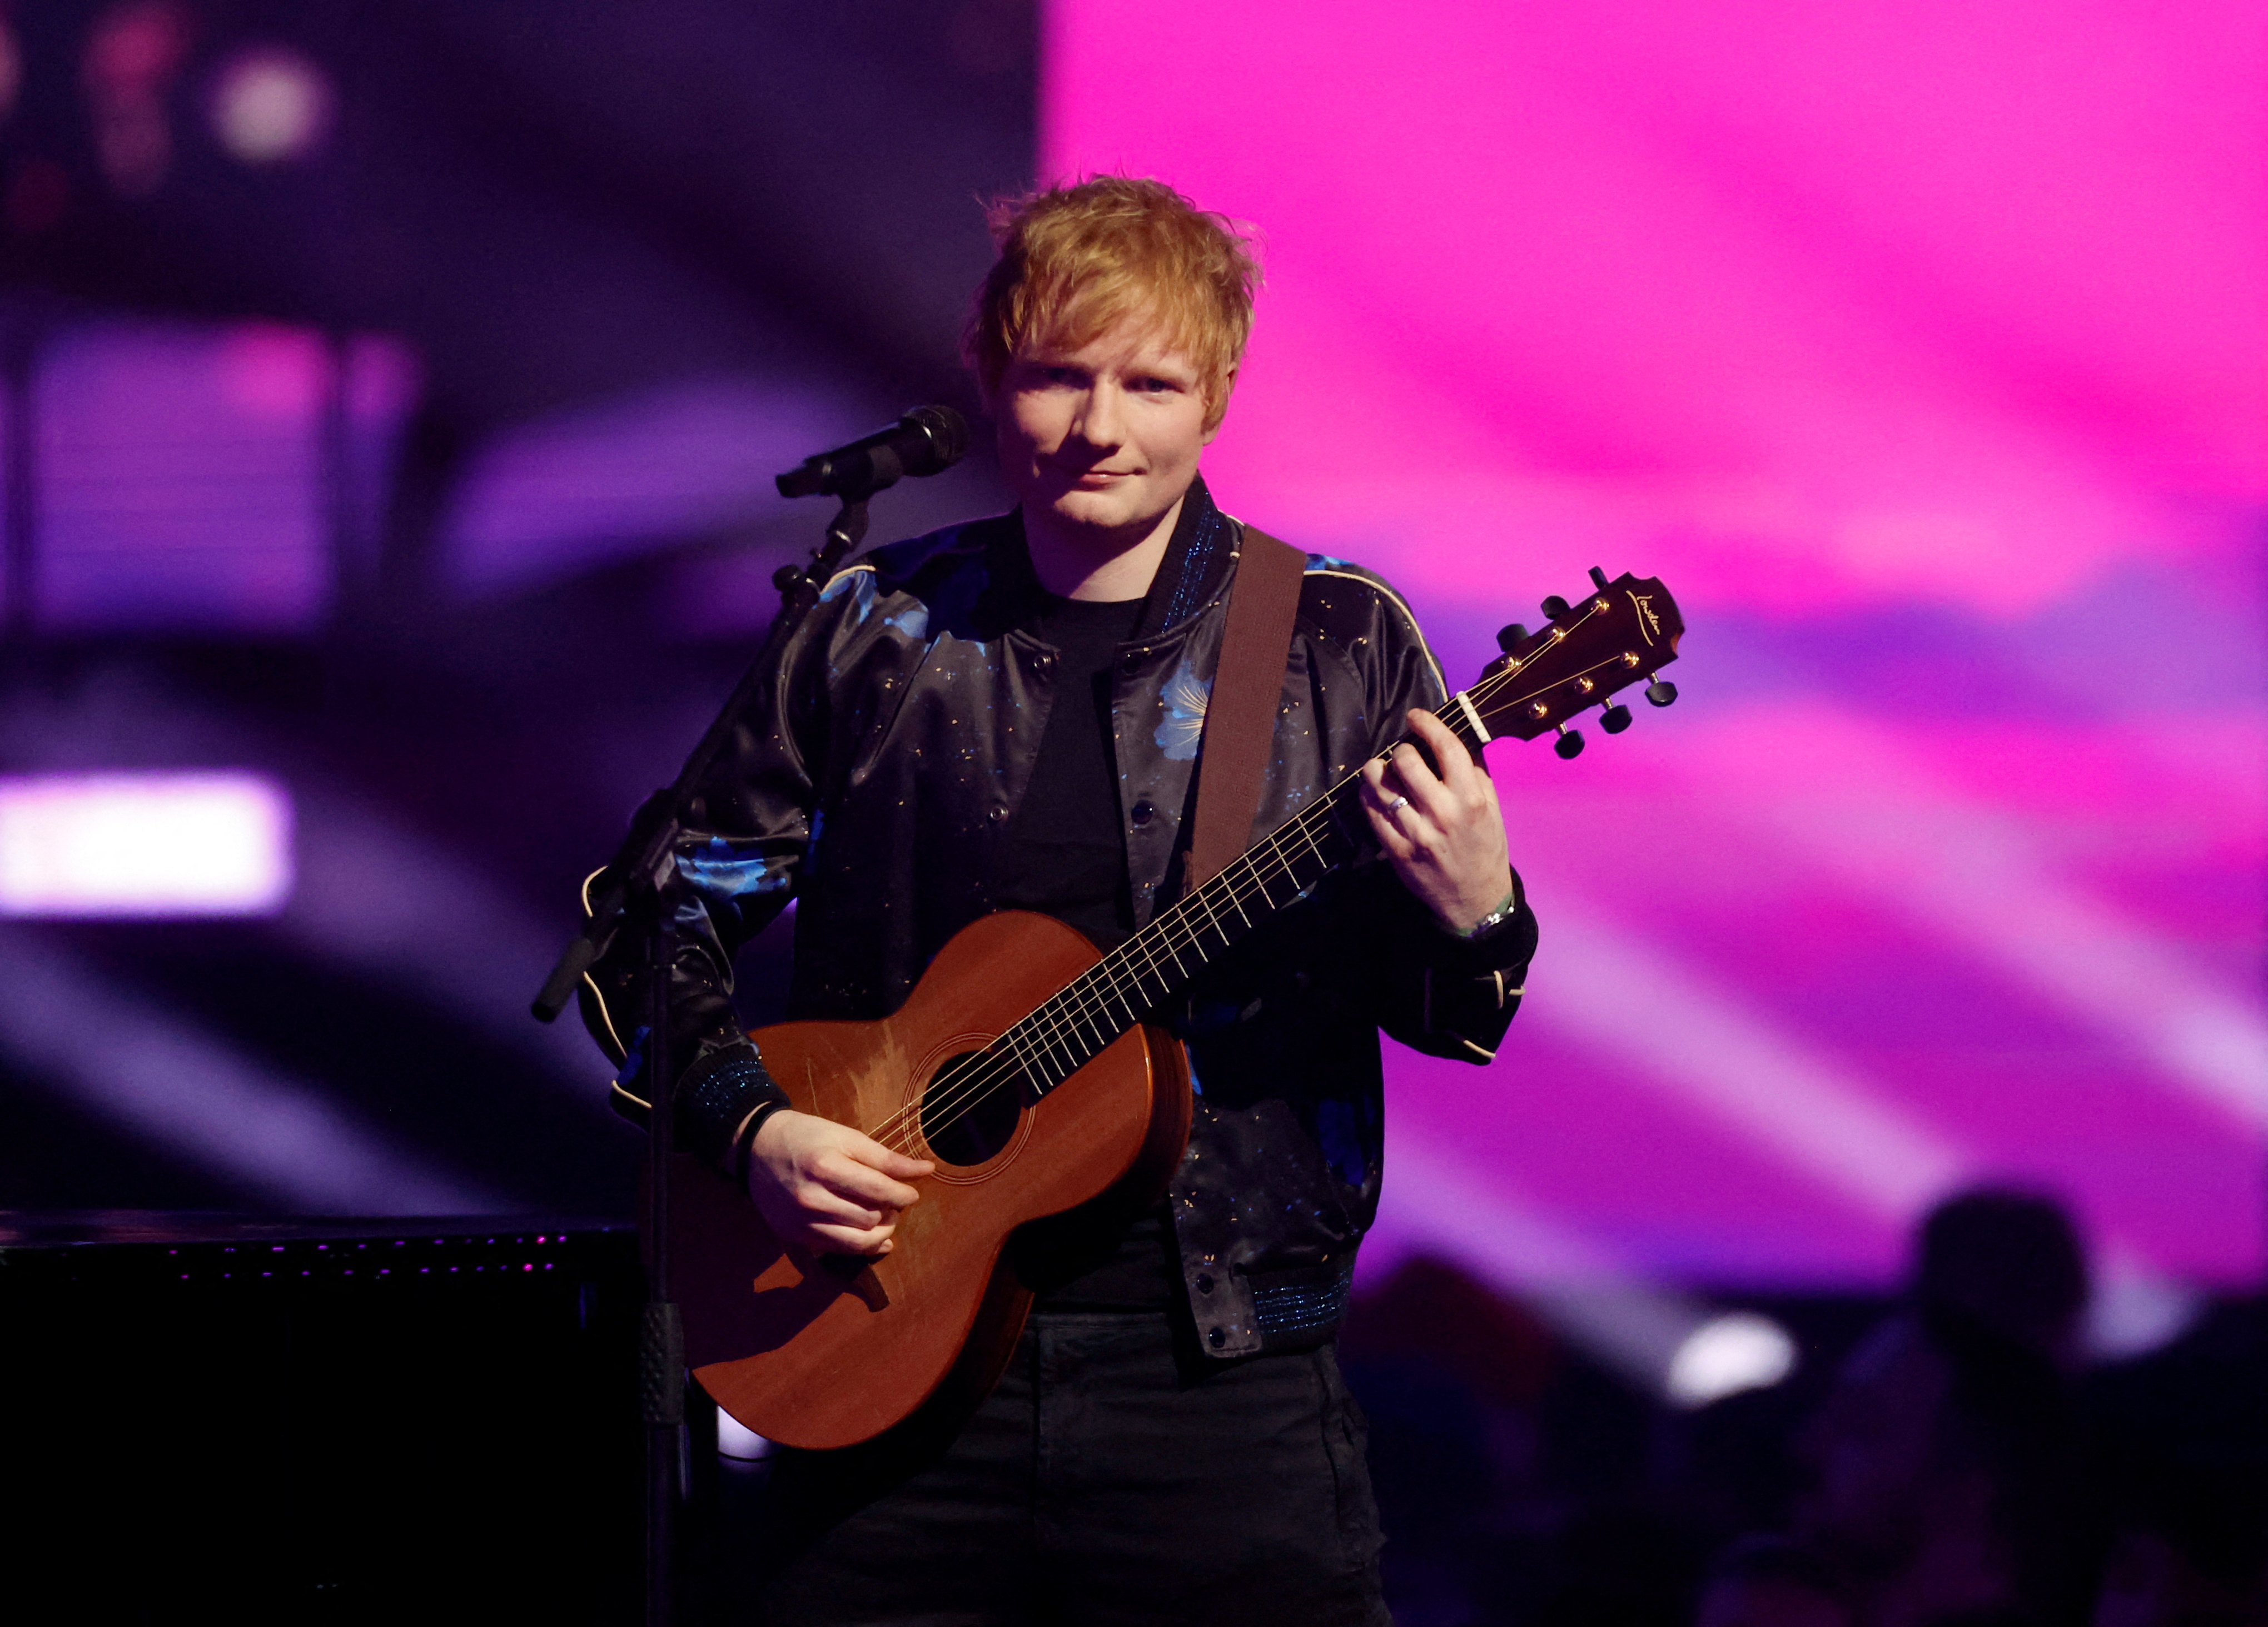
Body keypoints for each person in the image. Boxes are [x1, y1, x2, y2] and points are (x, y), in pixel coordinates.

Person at [581, 175, 1538, 1626]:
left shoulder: (1332, 635)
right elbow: (653, 930)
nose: (1100, 427)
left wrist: (1476, 914)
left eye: (1149, 383)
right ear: (990, 378)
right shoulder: (872, 628)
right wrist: (754, 1127)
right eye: (1058, 377)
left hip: (1217, 1381)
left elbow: (1452, 1021)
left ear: (1216, 395)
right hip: (880, 1352)